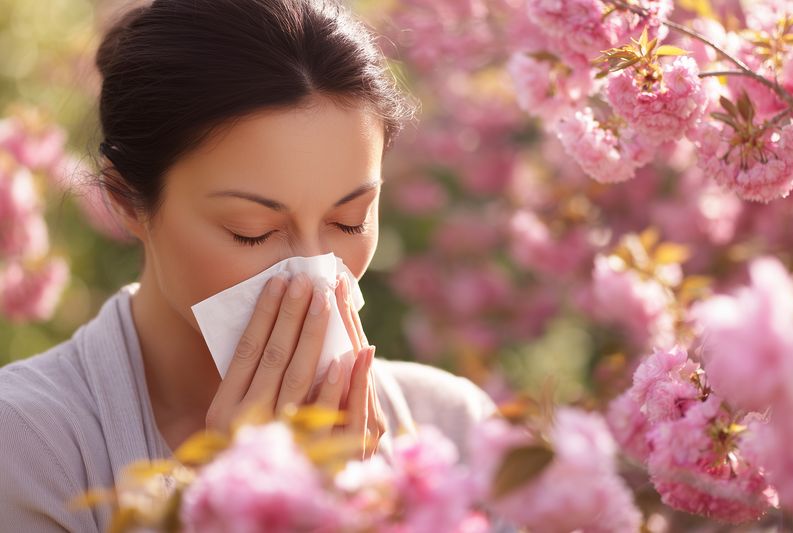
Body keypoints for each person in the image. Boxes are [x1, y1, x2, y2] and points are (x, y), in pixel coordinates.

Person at [0, 0, 498, 531]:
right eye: (251, 231)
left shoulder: (453, 430)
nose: (314, 272)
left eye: (349, 221)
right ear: (127, 200)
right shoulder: (28, 448)